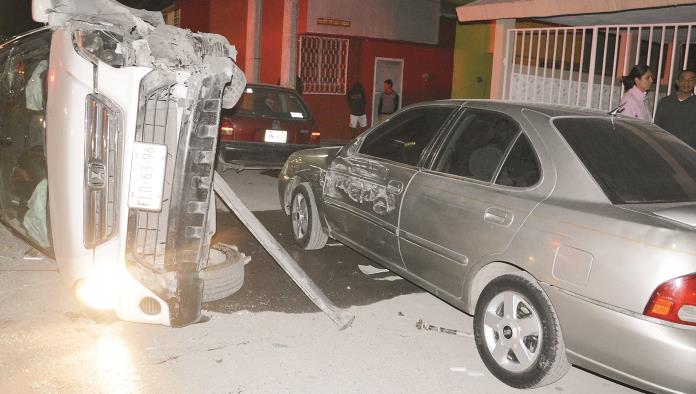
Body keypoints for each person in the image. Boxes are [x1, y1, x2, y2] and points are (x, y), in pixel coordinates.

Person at [654, 69, 696, 149]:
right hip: (667, 150)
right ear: (677, 82)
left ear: (694, 83)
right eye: (683, 79)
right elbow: (657, 128)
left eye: (691, 80)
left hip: (690, 153)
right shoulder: (665, 102)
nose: (686, 83)